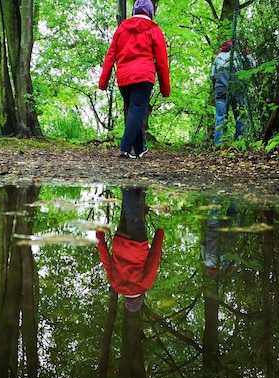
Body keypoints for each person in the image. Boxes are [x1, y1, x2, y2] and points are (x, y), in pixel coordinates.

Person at [98, 0, 171, 159]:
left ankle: (139, 149)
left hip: (124, 77)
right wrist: (165, 89)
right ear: (150, 13)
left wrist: (103, 82)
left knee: (133, 111)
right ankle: (125, 147)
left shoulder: (121, 29)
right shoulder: (153, 29)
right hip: (144, 76)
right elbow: (162, 61)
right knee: (136, 110)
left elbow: (111, 55)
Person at [96, 187, 164, 312]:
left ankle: (125, 186)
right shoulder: (115, 284)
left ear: (139, 299)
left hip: (138, 244)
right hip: (121, 241)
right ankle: (135, 186)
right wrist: (99, 237)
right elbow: (105, 260)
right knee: (128, 211)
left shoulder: (144, 286)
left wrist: (159, 236)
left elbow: (153, 261)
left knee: (132, 212)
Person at [211, 39, 256, 145]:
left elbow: (213, 76)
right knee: (240, 116)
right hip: (237, 89)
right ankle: (239, 142)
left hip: (221, 89)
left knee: (220, 117)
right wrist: (247, 53)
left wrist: (216, 88)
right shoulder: (238, 56)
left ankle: (218, 144)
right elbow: (252, 65)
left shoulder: (218, 57)